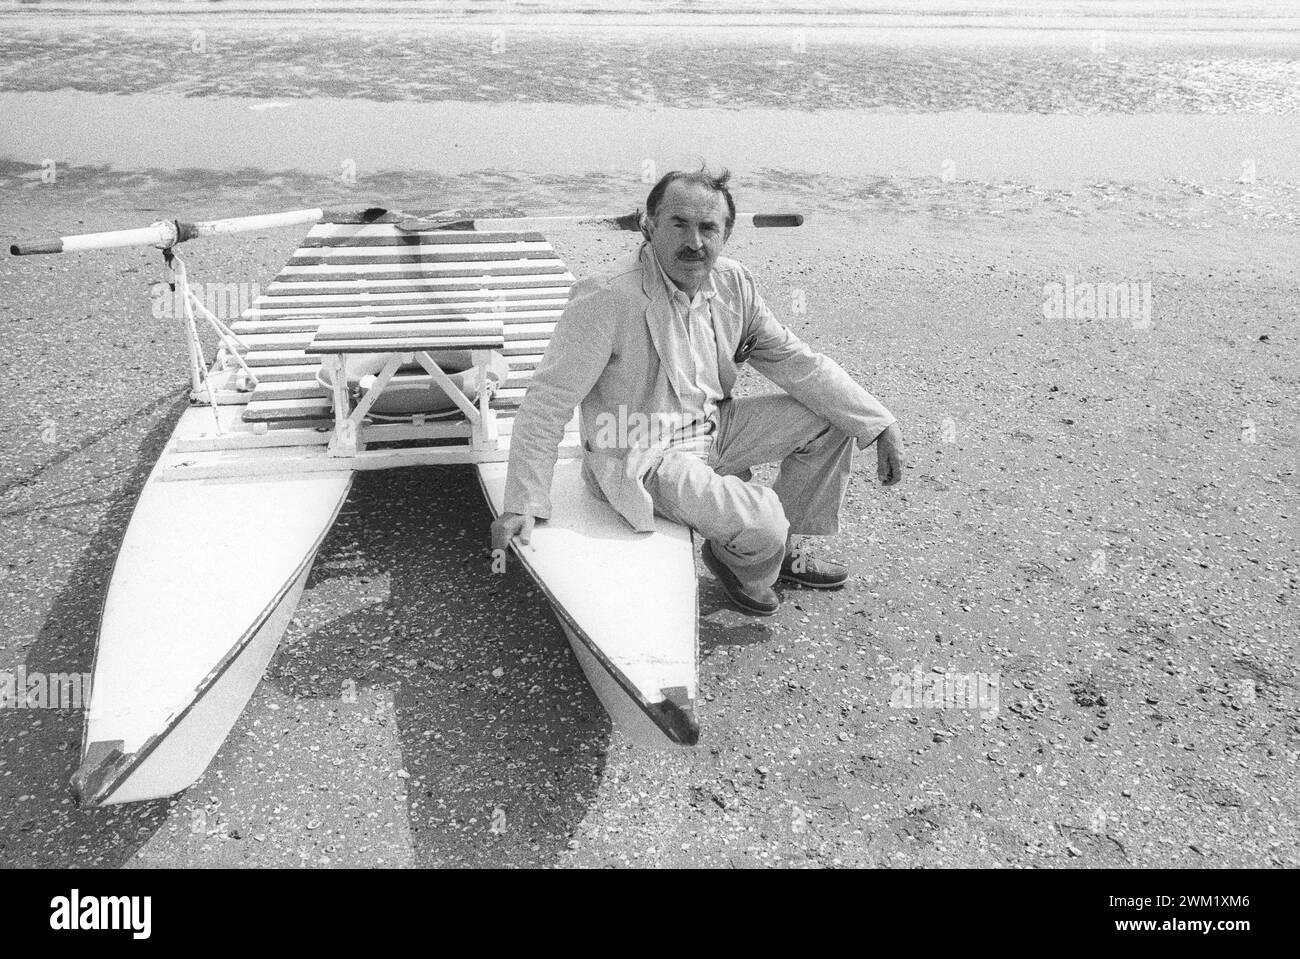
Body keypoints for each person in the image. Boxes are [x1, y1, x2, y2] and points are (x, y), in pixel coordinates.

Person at [491, 167, 904, 615]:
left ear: (725, 233)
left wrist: (878, 422)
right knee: (764, 522)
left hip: (716, 427)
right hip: (643, 450)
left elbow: (796, 362)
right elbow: (548, 400)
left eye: (708, 227)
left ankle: (782, 552)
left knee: (835, 418)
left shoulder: (734, 284)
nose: (694, 241)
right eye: (679, 224)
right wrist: (522, 502)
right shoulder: (606, 297)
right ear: (649, 226)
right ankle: (743, 551)